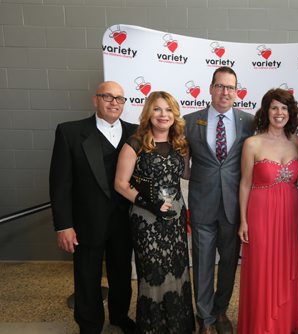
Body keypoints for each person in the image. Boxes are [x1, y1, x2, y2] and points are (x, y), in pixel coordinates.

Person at [49, 81, 136, 334]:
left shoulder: (136, 133)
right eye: (107, 96)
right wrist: (63, 225)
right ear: (95, 100)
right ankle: (89, 325)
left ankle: (120, 316)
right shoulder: (70, 132)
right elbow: (60, 184)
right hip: (87, 221)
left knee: (121, 274)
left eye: (119, 98)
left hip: (124, 220)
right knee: (87, 276)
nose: (114, 102)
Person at [114, 91, 195, 333]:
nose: (163, 115)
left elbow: (185, 175)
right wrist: (150, 205)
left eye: (168, 110)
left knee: (178, 268)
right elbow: (120, 183)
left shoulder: (181, 144)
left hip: (175, 217)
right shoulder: (135, 143)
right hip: (146, 219)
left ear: (175, 115)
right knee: (153, 273)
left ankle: (177, 325)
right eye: (158, 109)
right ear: (149, 112)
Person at [184, 66, 254, 334]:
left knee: (228, 263)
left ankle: (220, 309)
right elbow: (180, 162)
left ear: (237, 92)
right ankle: (205, 317)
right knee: (201, 263)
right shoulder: (190, 121)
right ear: (211, 88)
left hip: (234, 207)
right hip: (202, 205)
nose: (225, 92)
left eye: (230, 87)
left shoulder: (248, 122)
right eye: (220, 86)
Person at [237, 88, 298, 334]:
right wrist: (243, 221)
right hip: (260, 214)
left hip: (290, 215)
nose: (279, 113)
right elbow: (244, 183)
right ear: (266, 111)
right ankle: (261, 326)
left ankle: (283, 324)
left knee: (287, 268)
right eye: (274, 107)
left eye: (284, 108)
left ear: (290, 112)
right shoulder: (252, 143)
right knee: (262, 270)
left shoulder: (297, 141)